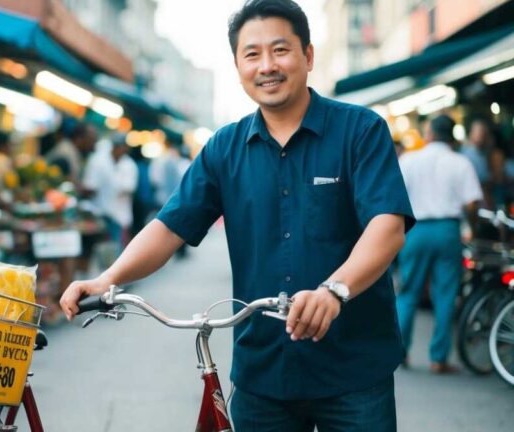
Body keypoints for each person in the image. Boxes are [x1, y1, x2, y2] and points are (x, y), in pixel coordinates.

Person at [60, 1, 414, 431]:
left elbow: (388, 226)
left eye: (280, 50)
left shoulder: (360, 130)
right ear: (238, 66)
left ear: (308, 55)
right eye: (252, 54)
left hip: (354, 369)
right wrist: (108, 278)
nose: (267, 65)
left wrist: (334, 291)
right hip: (263, 372)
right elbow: (170, 226)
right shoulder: (223, 149)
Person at [397, 114, 482, 374]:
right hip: (448, 230)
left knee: (408, 291)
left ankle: (400, 354)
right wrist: (471, 227)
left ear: (430, 134)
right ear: (452, 137)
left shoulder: (409, 160)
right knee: (445, 294)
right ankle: (438, 358)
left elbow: (395, 196)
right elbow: (472, 203)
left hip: (415, 229)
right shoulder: (461, 162)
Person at [82, 133, 138, 249]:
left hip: (120, 215)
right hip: (99, 212)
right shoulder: (98, 161)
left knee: (117, 247)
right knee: (100, 248)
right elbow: (90, 186)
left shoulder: (129, 165)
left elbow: (129, 188)